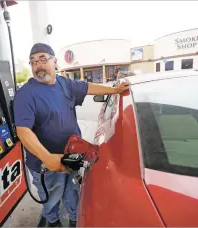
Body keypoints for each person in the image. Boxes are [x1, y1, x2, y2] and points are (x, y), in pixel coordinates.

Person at [13, 43, 130, 227]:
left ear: (55, 62)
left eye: (43, 59)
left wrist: (114, 90)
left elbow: (87, 88)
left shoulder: (64, 84)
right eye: (33, 62)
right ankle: (53, 222)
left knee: (72, 191)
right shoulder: (26, 94)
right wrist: (48, 158)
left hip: (71, 155)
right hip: (46, 164)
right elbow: (23, 131)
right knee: (51, 198)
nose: (38, 65)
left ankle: (75, 219)